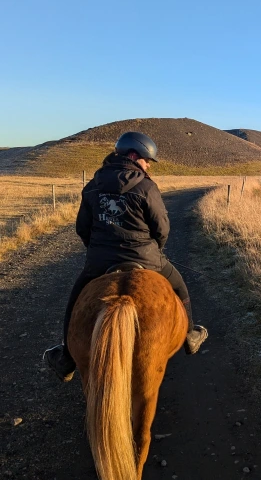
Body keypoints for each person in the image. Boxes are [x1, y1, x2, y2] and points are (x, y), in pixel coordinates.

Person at [43, 131, 208, 382]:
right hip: (146, 256)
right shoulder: (146, 186)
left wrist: (96, 250)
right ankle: (189, 335)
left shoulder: (93, 185)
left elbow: (82, 227)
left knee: (76, 298)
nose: (148, 165)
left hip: (100, 260)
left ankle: (67, 357)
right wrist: (156, 251)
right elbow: (162, 227)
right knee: (179, 285)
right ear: (133, 156)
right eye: (146, 160)